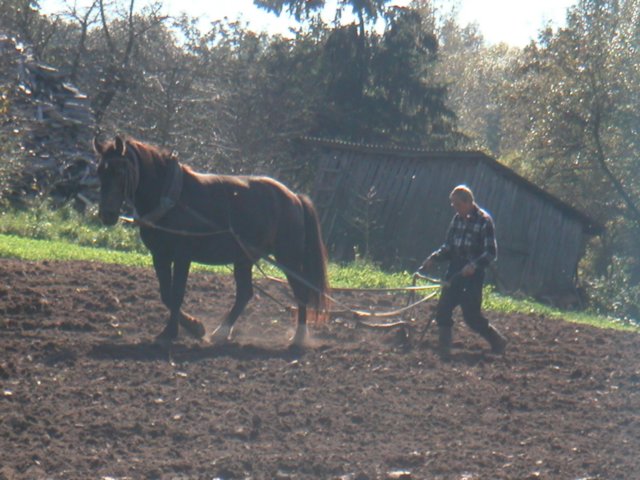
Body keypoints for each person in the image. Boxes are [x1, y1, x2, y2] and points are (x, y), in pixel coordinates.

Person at [419, 185, 507, 358]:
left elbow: (491, 252)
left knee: (472, 317)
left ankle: (498, 341)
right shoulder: (457, 219)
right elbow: (449, 246)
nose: (455, 208)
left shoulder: (484, 221)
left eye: (457, 205)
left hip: (472, 276)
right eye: (453, 205)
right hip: (455, 270)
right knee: (443, 310)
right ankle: (444, 350)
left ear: (468, 202)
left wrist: (473, 265)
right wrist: (434, 258)